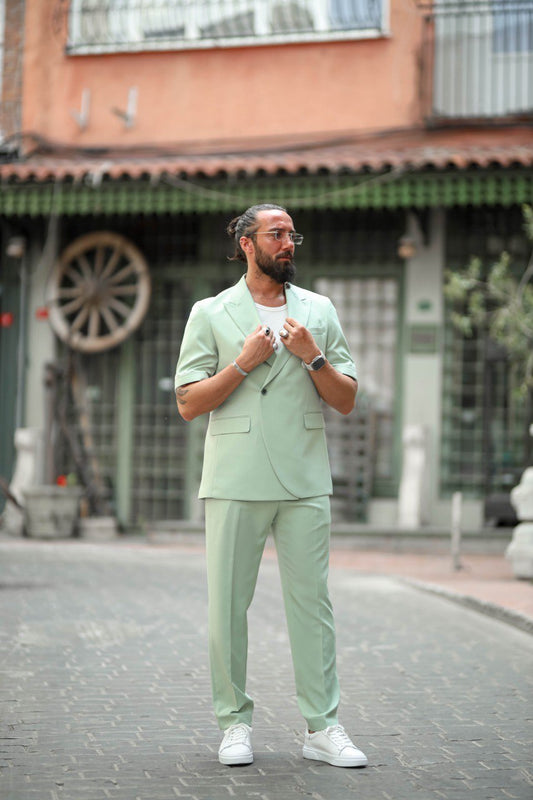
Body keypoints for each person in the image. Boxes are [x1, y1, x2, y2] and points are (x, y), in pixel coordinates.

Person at [174, 203, 367, 769]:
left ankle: (322, 727)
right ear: (246, 244)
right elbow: (188, 403)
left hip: (305, 476)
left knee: (313, 606)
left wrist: (313, 358)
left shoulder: (320, 311)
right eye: (276, 235)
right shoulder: (209, 312)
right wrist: (241, 364)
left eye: (292, 235)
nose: (288, 244)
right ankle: (234, 723)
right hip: (234, 475)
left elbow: (347, 398)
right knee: (227, 608)